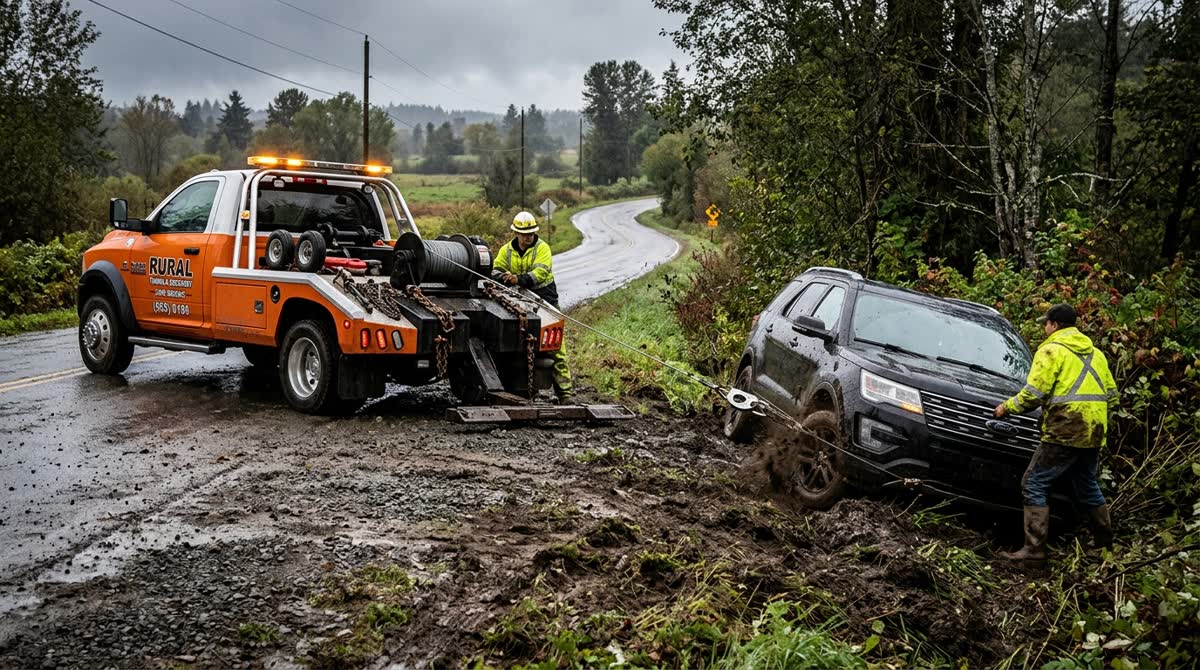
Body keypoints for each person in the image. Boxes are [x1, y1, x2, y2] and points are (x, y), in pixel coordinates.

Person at [994, 303, 1118, 566]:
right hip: (1094, 430)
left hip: (1066, 428)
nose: (1045, 328)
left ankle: (1034, 551)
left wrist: (1007, 407)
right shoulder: (1096, 354)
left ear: (1055, 325)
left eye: (1046, 324)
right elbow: (1111, 394)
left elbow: (1034, 394)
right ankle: (1106, 547)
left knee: (1034, 483)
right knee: (1086, 484)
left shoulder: (1051, 350)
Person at [493, 211, 573, 403]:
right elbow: (495, 268)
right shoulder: (507, 250)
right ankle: (520, 387)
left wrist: (518, 279)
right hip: (517, 302)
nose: (527, 237)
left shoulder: (542, 248)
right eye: (524, 233)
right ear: (516, 233)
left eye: (530, 233)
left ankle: (565, 393)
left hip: (544, 300)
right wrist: (501, 277)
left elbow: (541, 273)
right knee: (518, 342)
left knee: (555, 346)